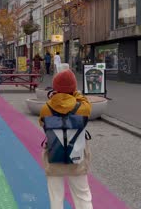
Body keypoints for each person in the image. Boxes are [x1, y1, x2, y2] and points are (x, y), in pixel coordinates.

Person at [39, 69, 92, 209]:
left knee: (56, 196)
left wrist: (53, 98)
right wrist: (75, 92)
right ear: (74, 87)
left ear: (55, 88)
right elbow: (84, 101)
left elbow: (42, 123)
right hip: (77, 155)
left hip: (54, 154)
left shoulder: (46, 108)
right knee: (82, 194)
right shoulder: (83, 107)